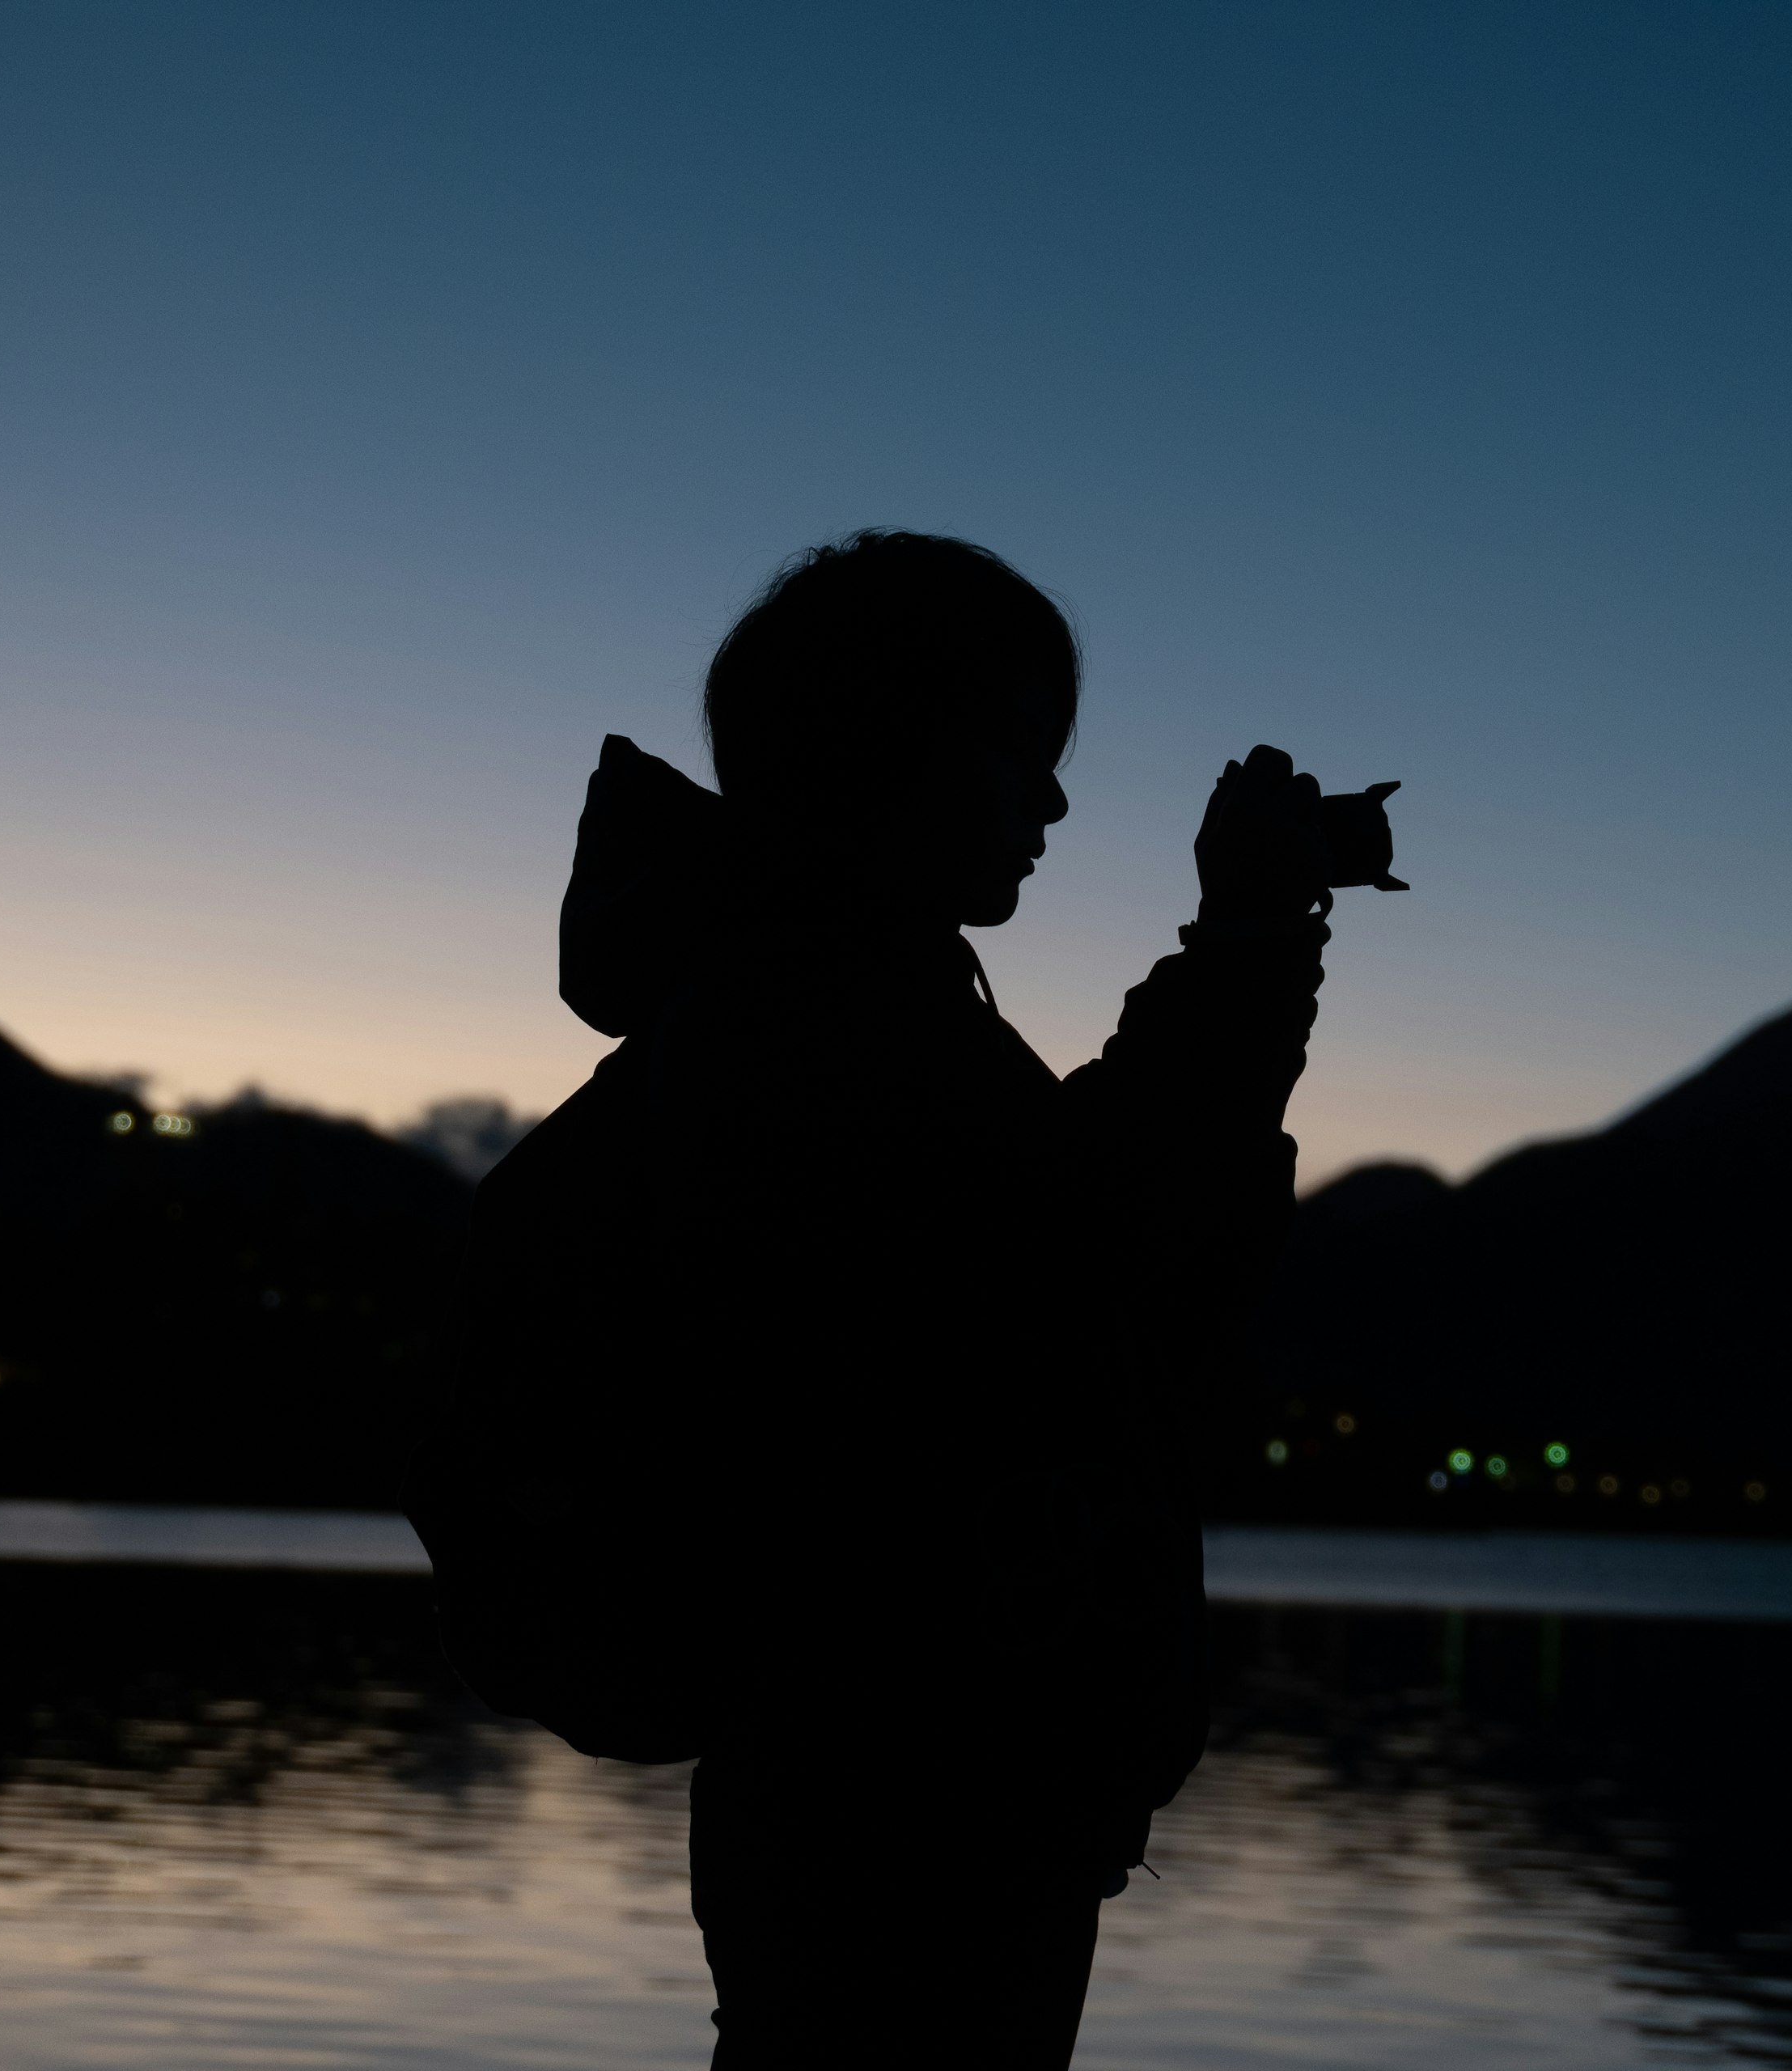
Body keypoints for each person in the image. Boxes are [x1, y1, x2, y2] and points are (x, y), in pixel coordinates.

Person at [413, 530, 1354, 2069]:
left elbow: (1084, 1246)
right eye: (1020, 756)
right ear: (891, 749)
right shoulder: (827, 1033)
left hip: (870, 1798)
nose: (1052, 802)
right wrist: (1249, 939)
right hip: (905, 1804)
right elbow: (1102, 1236)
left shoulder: (819, 1005)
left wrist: (1249, 952)